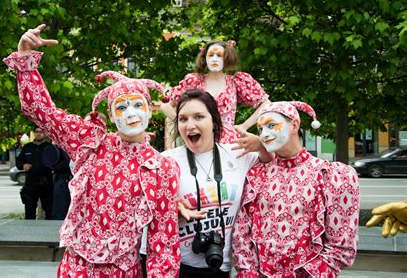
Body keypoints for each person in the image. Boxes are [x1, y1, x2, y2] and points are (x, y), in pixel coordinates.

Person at [3, 24, 180, 277]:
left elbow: (162, 244)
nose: (130, 114)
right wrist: (25, 60)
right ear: (110, 114)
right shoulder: (91, 142)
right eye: (121, 107)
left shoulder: (160, 167)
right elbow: (43, 113)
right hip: (75, 269)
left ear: (150, 110)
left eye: (137, 105)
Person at [141, 89, 273, 277]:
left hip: (219, 266)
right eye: (183, 119)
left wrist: (261, 143)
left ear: (214, 121)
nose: (190, 125)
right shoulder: (165, 161)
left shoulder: (237, 154)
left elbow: (275, 163)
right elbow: (143, 208)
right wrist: (169, 208)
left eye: (199, 117)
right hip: (175, 268)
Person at [232, 101, 360, 277]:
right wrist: (249, 272)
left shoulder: (330, 175)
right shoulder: (257, 174)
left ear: (294, 125)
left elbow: (340, 247)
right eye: (260, 129)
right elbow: (241, 234)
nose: (264, 134)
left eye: (271, 125)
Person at [160, 40, 270, 144]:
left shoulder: (237, 82)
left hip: (228, 143)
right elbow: (165, 106)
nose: (215, 59)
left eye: (219, 55)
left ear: (227, 59)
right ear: (205, 58)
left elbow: (266, 104)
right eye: (211, 55)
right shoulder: (193, 81)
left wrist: (244, 126)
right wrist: (185, 123)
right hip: (198, 141)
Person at [16, 126, 54, 220]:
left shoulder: (49, 147)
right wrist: (23, 165)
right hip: (31, 183)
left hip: (46, 183)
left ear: (44, 134)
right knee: (29, 212)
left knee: (49, 211)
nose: (38, 133)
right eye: (37, 131)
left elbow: (56, 162)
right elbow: (19, 162)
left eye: (41, 132)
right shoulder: (27, 147)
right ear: (34, 133)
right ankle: (29, 232)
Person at [41, 144, 73, 220]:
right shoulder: (61, 149)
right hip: (61, 180)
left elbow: (66, 163)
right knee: (59, 207)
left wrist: (53, 168)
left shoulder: (66, 150)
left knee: (61, 208)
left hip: (64, 181)